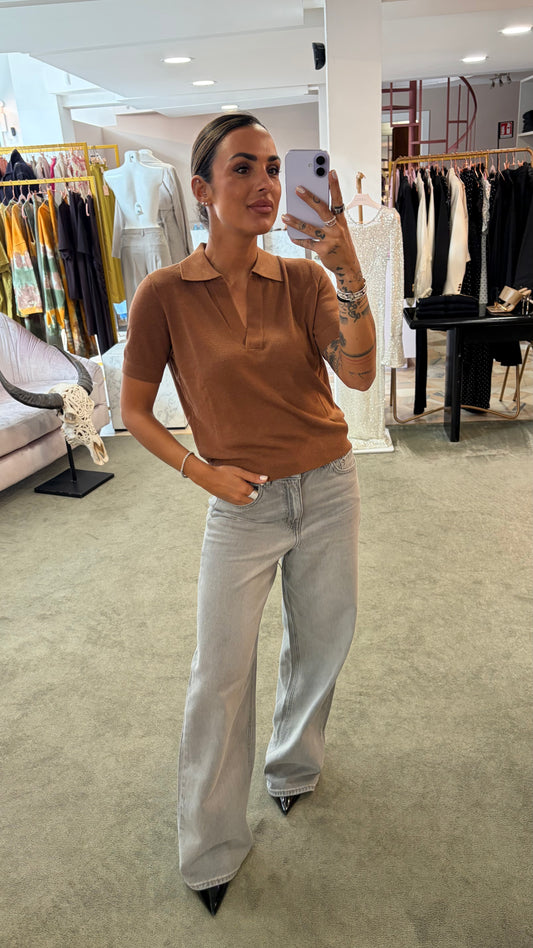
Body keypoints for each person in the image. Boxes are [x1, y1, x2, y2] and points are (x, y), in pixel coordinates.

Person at [120, 113, 376, 916]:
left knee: (323, 640)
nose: (265, 184)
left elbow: (359, 376)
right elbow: (134, 412)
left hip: (328, 486)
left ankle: (292, 767)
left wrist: (347, 271)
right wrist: (202, 472)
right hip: (241, 506)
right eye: (243, 168)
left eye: (273, 167)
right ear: (201, 189)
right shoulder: (163, 294)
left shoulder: (303, 281)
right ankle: (210, 846)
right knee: (219, 675)